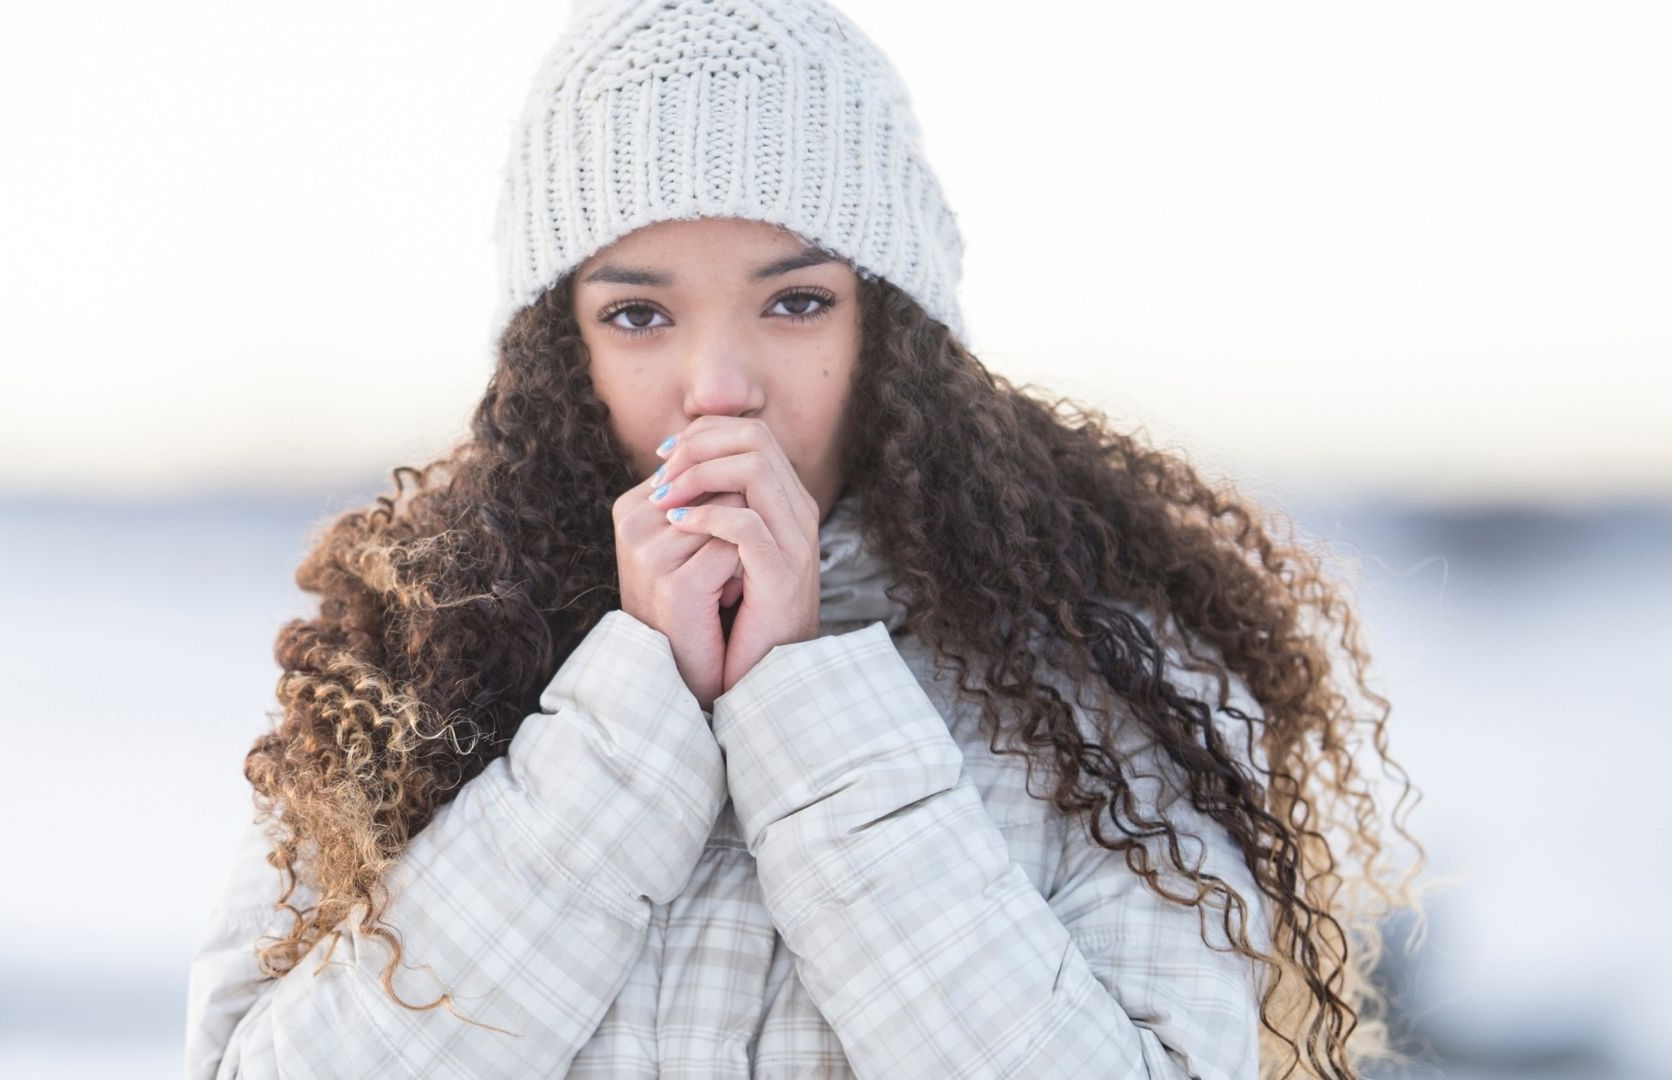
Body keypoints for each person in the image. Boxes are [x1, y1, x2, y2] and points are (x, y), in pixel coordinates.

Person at [183, 1, 1427, 1077]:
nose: (718, 387)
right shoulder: (417, 666)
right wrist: (627, 722)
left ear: (894, 331)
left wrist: (803, 703)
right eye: (638, 313)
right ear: (561, 354)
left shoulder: (1103, 683)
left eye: (795, 302)